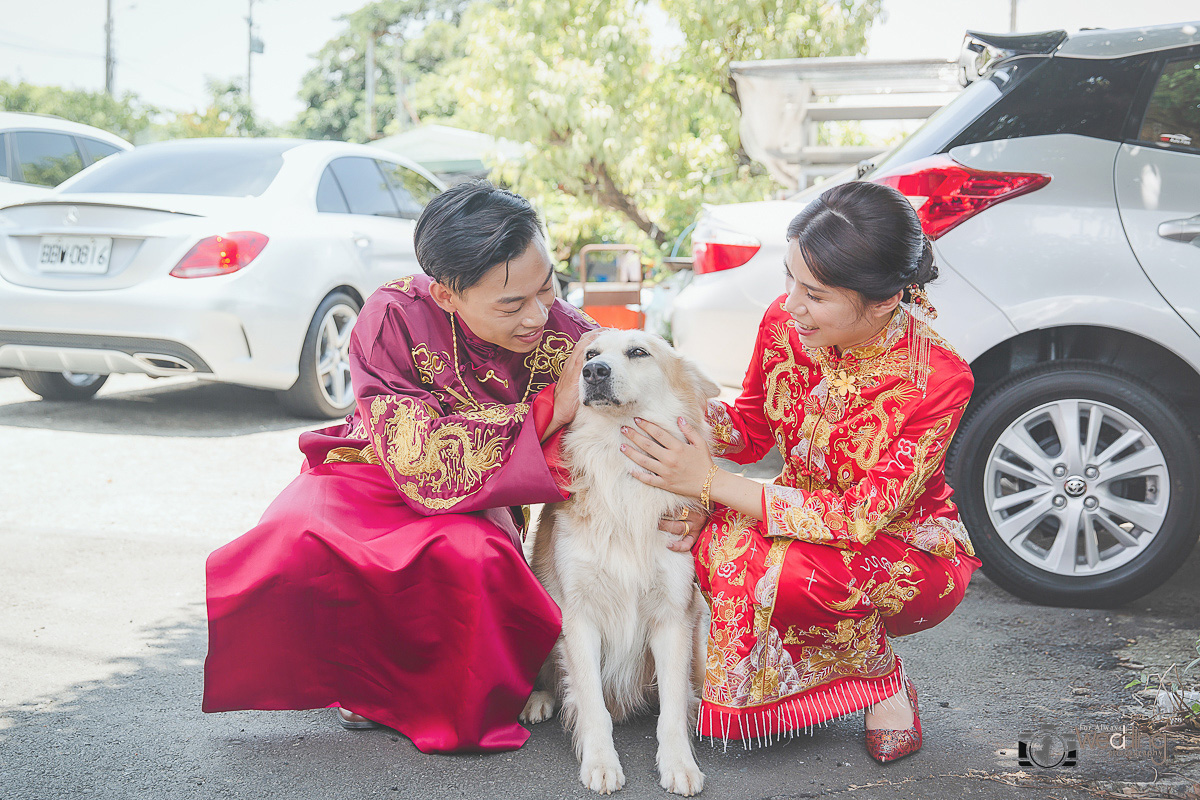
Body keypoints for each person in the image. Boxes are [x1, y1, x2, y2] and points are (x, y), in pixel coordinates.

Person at [203, 182, 704, 754]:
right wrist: (548, 408)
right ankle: (359, 679)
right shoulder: (390, 315)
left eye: (548, 289)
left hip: (483, 490)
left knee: (473, 558)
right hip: (371, 474)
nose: (539, 315)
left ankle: (426, 697)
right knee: (295, 534)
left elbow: (660, 412)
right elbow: (418, 458)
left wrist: (691, 494)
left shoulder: (571, 339)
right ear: (446, 296)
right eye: (511, 305)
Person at [620, 180, 982, 762]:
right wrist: (664, 407)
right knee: (698, 539)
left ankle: (882, 678)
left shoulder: (937, 379)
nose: (791, 304)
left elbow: (859, 516)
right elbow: (751, 427)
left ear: (886, 299)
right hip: (796, 517)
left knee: (782, 573)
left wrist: (707, 484)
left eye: (814, 293)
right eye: (788, 278)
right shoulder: (784, 324)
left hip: (906, 550)